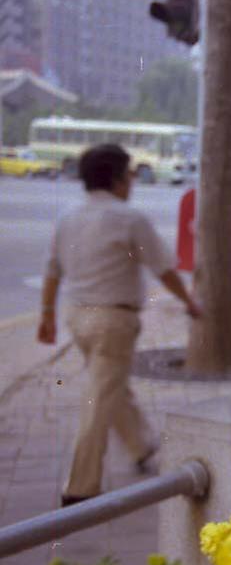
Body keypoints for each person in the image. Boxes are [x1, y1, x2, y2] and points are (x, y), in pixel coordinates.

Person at [37, 143, 202, 507]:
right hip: (113, 320)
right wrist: (189, 302)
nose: (133, 180)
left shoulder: (68, 216)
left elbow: (52, 271)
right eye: (129, 173)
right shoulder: (129, 219)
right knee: (100, 396)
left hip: (77, 318)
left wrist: (46, 316)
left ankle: (139, 444)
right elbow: (163, 269)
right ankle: (80, 487)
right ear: (115, 178)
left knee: (108, 382)